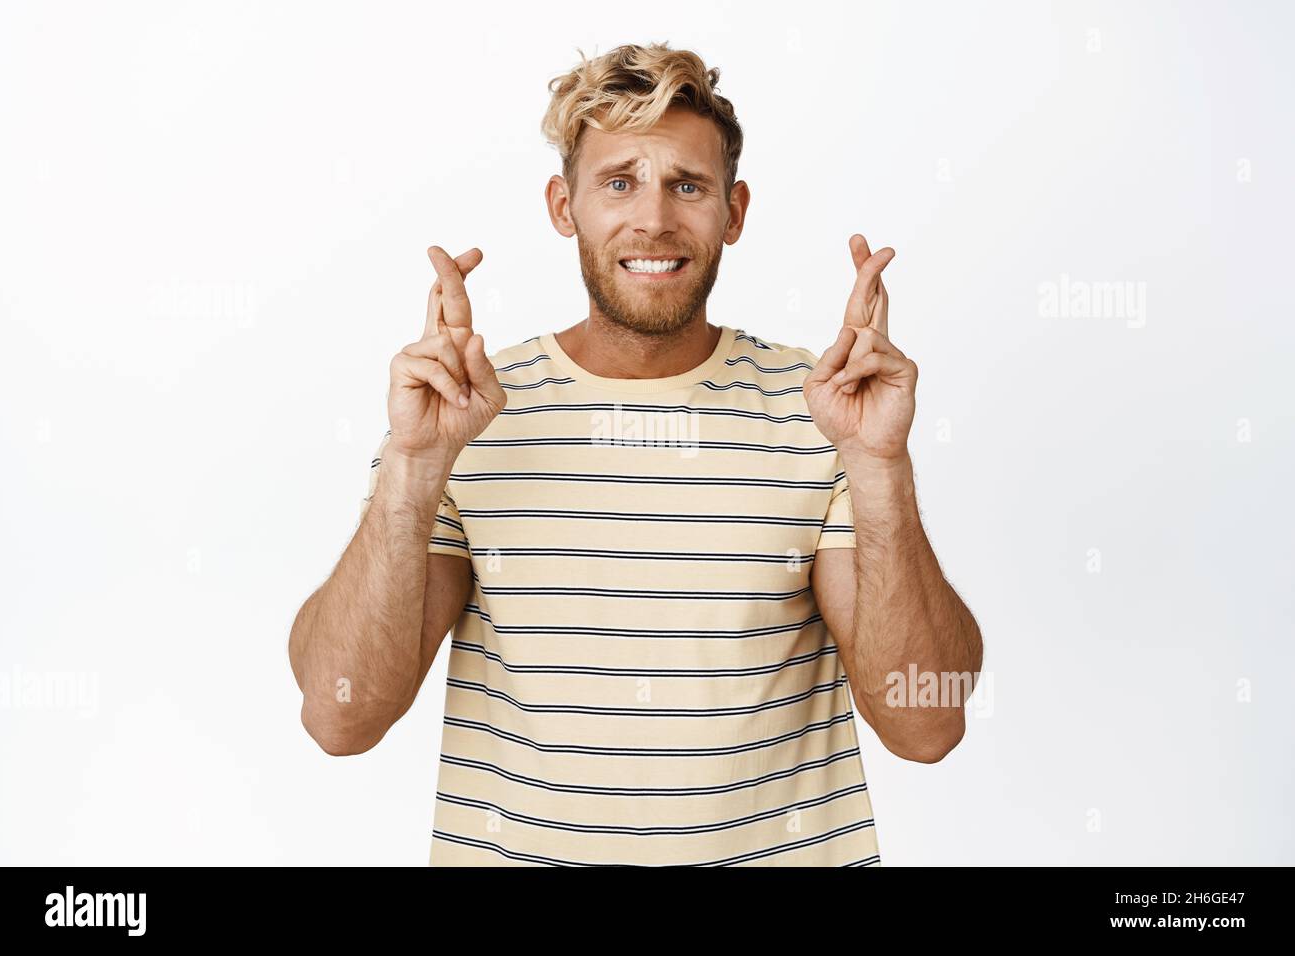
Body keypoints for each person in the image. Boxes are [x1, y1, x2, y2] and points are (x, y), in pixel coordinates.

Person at [288, 41, 983, 866]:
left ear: (734, 210)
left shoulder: (823, 409)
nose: (653, 219)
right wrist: (412, 468)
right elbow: (342, 718)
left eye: (686, 185)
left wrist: (879, 468)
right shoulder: (465, 413)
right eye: (619, 182)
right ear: (563, 205)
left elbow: (927, 725)